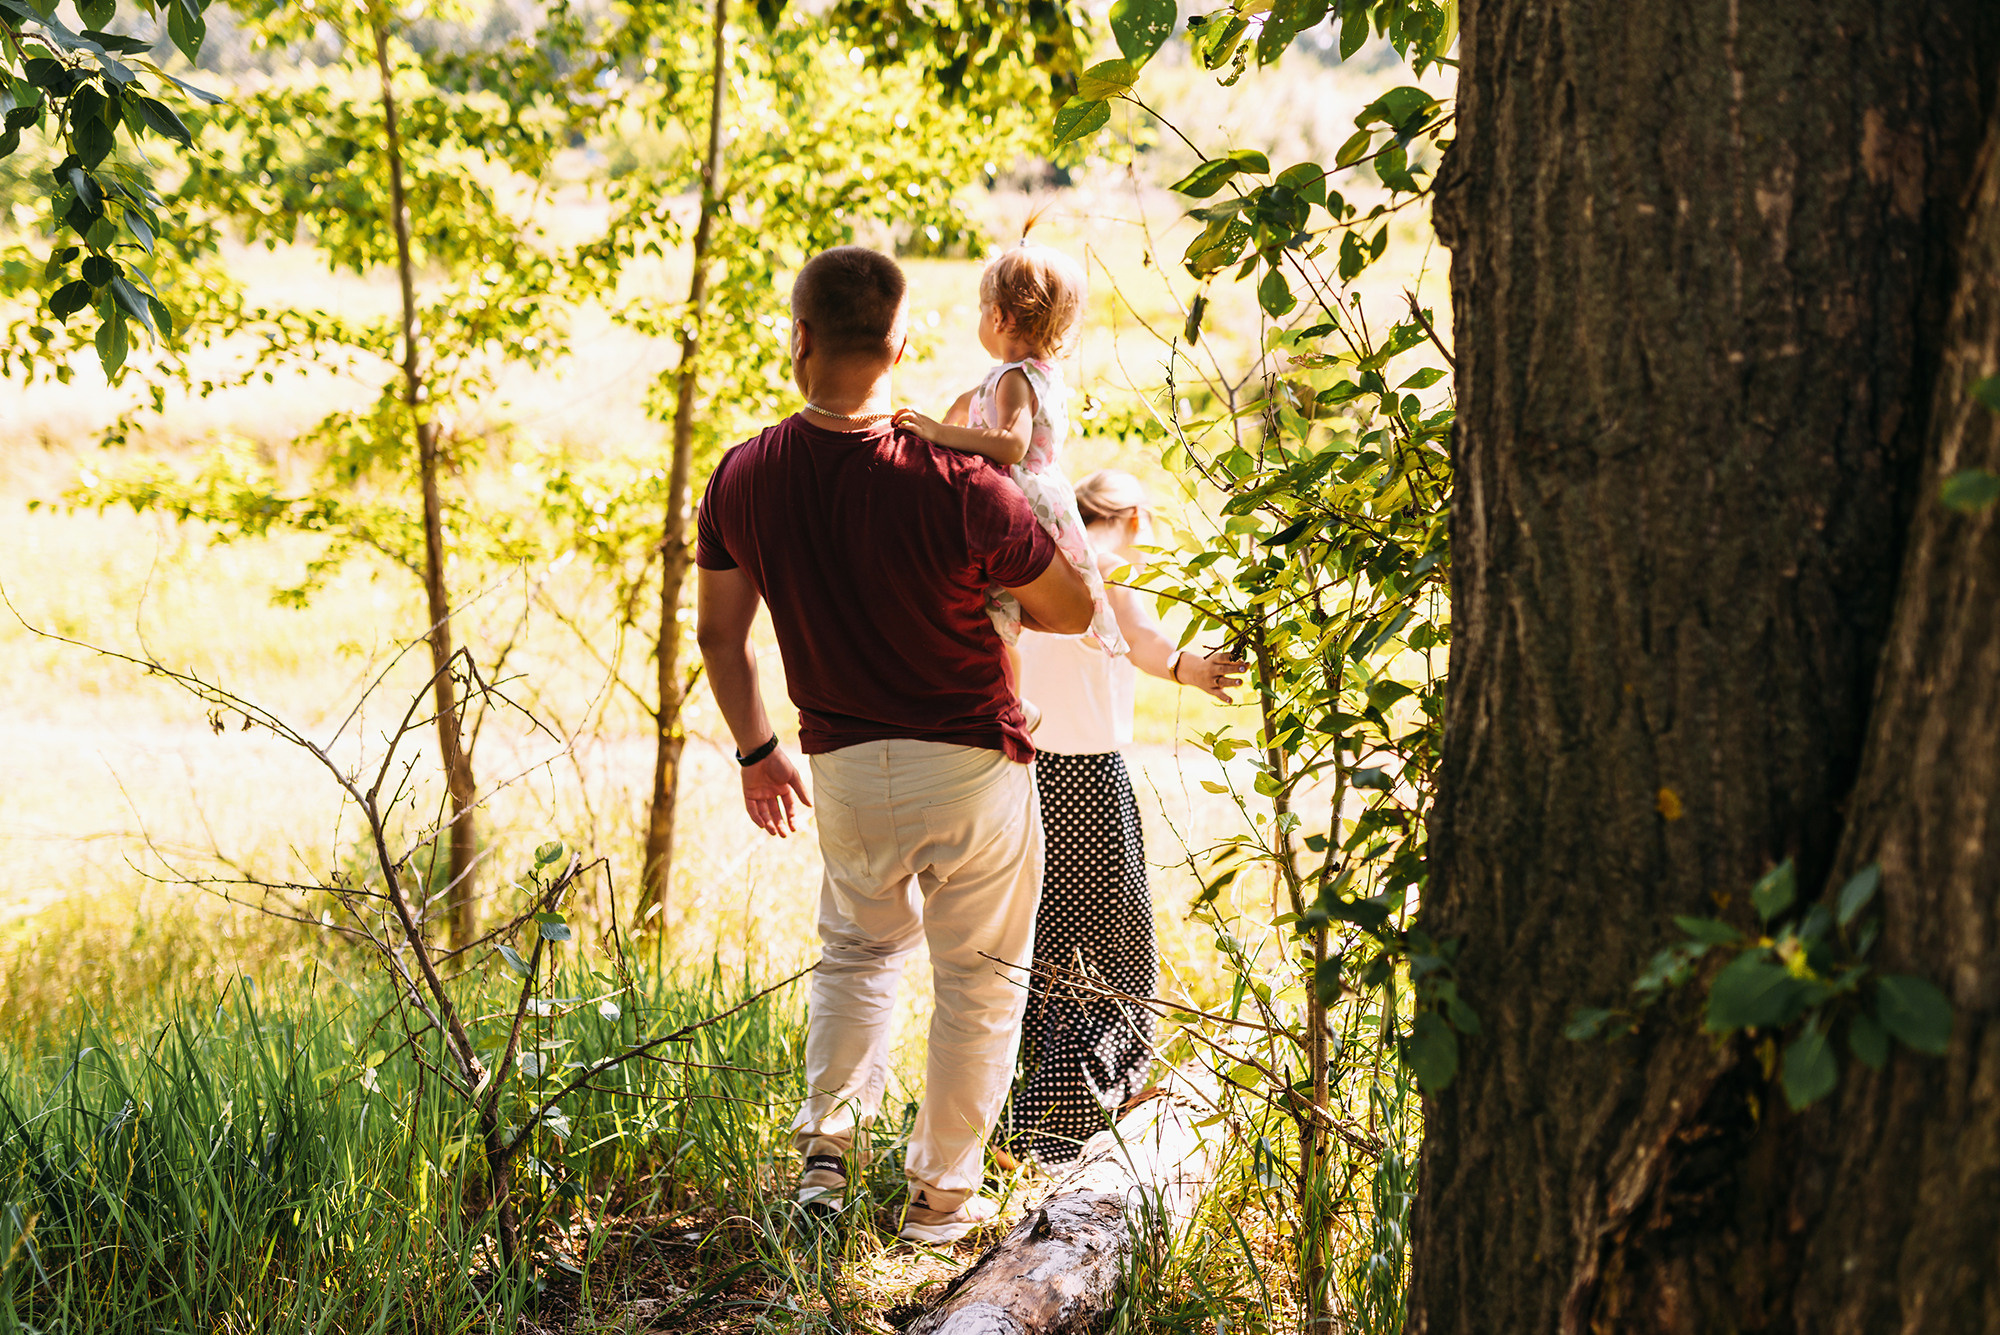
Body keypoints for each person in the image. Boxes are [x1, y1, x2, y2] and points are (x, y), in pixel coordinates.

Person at [692, 245, 1094, 1244]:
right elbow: (1070, 605)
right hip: (968, 764)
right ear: (902, 342)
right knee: (979, 982)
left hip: (838, 766)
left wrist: (756, 751)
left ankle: (823, 1165)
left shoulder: (743, 474)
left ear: (798, 340)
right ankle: (939, 1201)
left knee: (856, 956)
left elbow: (717, 634)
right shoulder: (959, 482)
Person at [1003, 469, 1246, 1167]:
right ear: (1135, 515)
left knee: (1042, 944)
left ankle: (1029, 1108)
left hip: (1026, 771)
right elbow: (1141, 638)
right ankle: (1072, 1115)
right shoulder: (1101, 564)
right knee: (1114, 946)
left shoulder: (1033, 561)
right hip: (1087, 777)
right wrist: (1190, 668)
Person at [892, 238, 1127, 672]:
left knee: (996, 611)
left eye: (983, 312)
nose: (981, 321)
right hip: (1044, 496)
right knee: (1004, 611)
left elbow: (1012, 443)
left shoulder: (1014, 379)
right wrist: (944, 429)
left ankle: (1014, 696)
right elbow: (969, 402)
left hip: (1022, 501)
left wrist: (941, 434)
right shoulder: (1035, 373)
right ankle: (1015, 695)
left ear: (998, 317)